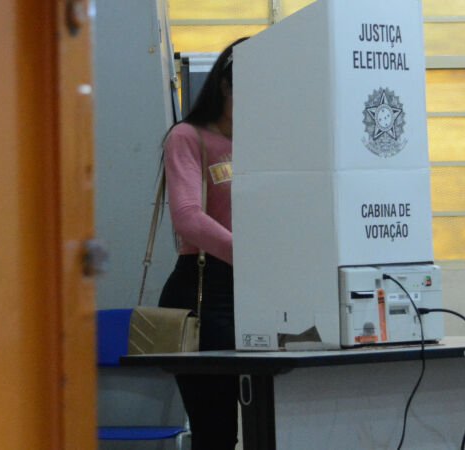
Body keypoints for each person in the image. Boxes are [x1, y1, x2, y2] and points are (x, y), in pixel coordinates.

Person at [158, 37, 247, 449]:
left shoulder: (266, 142)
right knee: (216, 431)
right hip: (204, 291)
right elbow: (188, 218)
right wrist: (251, 256)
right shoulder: (188, 137)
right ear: (226, 87)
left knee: (275, 418)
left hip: (258, 289)